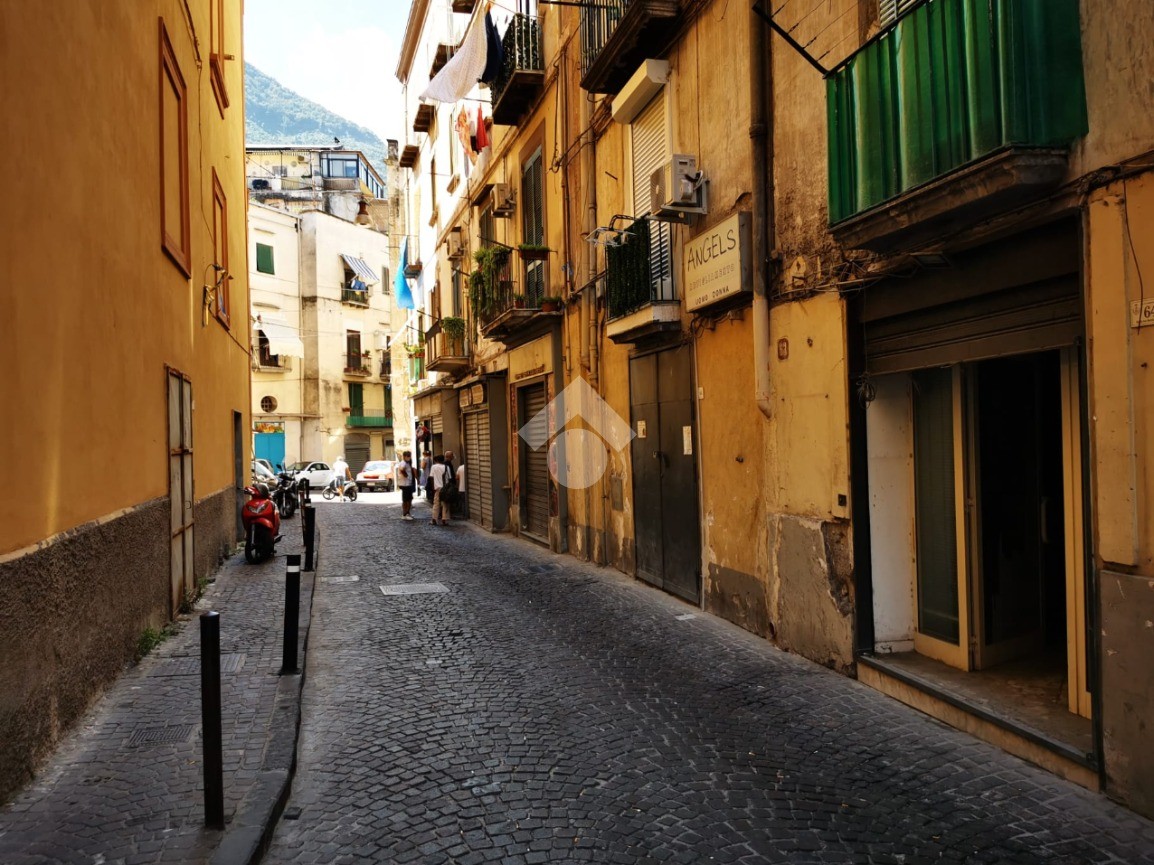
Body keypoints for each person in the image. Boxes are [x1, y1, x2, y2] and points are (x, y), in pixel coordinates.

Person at [428, 454, 450, 526]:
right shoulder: (447, 467)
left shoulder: (434, 467)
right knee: (445, 504)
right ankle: (444, 520)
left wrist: (433, 487)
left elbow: (431, 477)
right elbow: (449, 478)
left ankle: (434, 519)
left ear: (436, 460)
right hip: (445, 488)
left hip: (437, 488)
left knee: (436, 504)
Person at [396, 450, 416, 521]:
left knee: (409, 499)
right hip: (405, 484)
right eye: (407, 456)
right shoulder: (403, 463)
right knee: (406, 500)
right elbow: (402, 470)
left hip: (407, 483)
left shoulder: (407, 463)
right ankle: (405, 514)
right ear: (404, 456)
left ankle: (407, 513)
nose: (409, 457)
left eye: (409, 456)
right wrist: (407, 476)